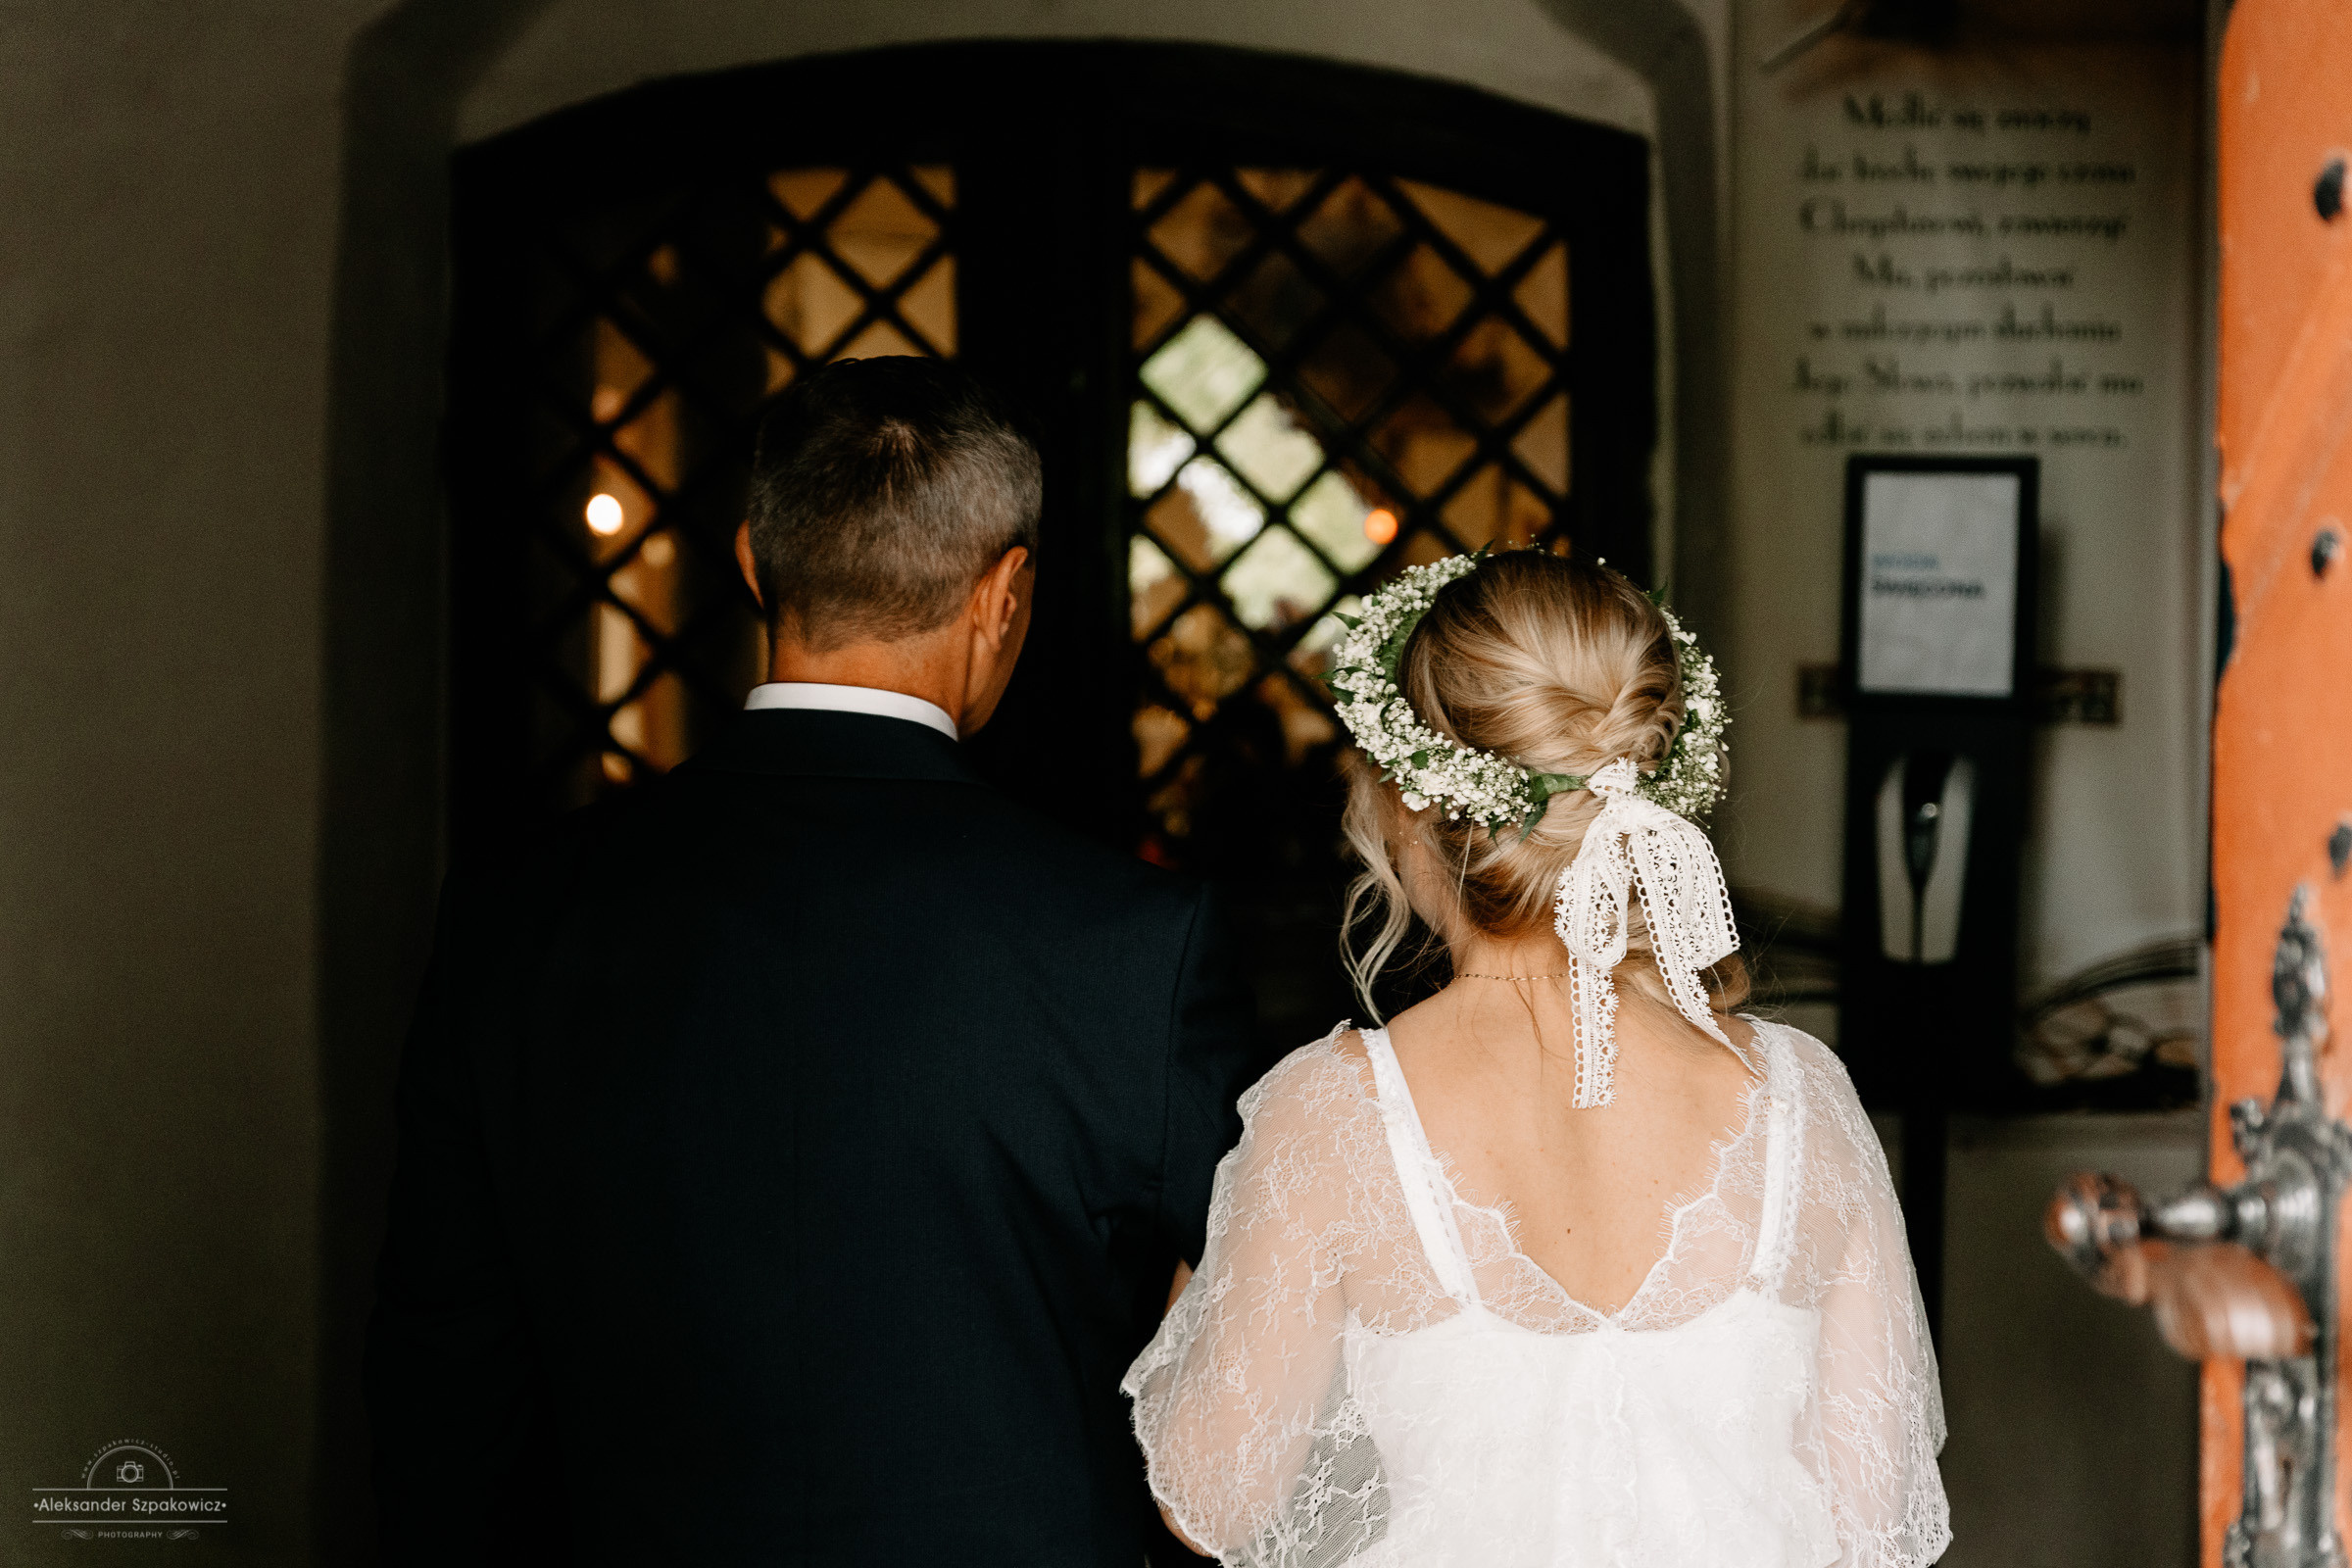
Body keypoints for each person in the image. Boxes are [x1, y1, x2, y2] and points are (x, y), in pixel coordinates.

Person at [367, 357, 1261, 1565]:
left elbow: (441, 1377)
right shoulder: (1133, 946)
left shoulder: (518, 916)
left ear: (750, 560)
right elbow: (1260, 1342)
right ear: (1006, 596)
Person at [1125, 549, 1950, 1567]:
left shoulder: (1328, 1114)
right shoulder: (1801, 1098)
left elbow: (1211, 1497)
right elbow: (1878, 1528)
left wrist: (1221, 1222)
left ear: (1411, 801)